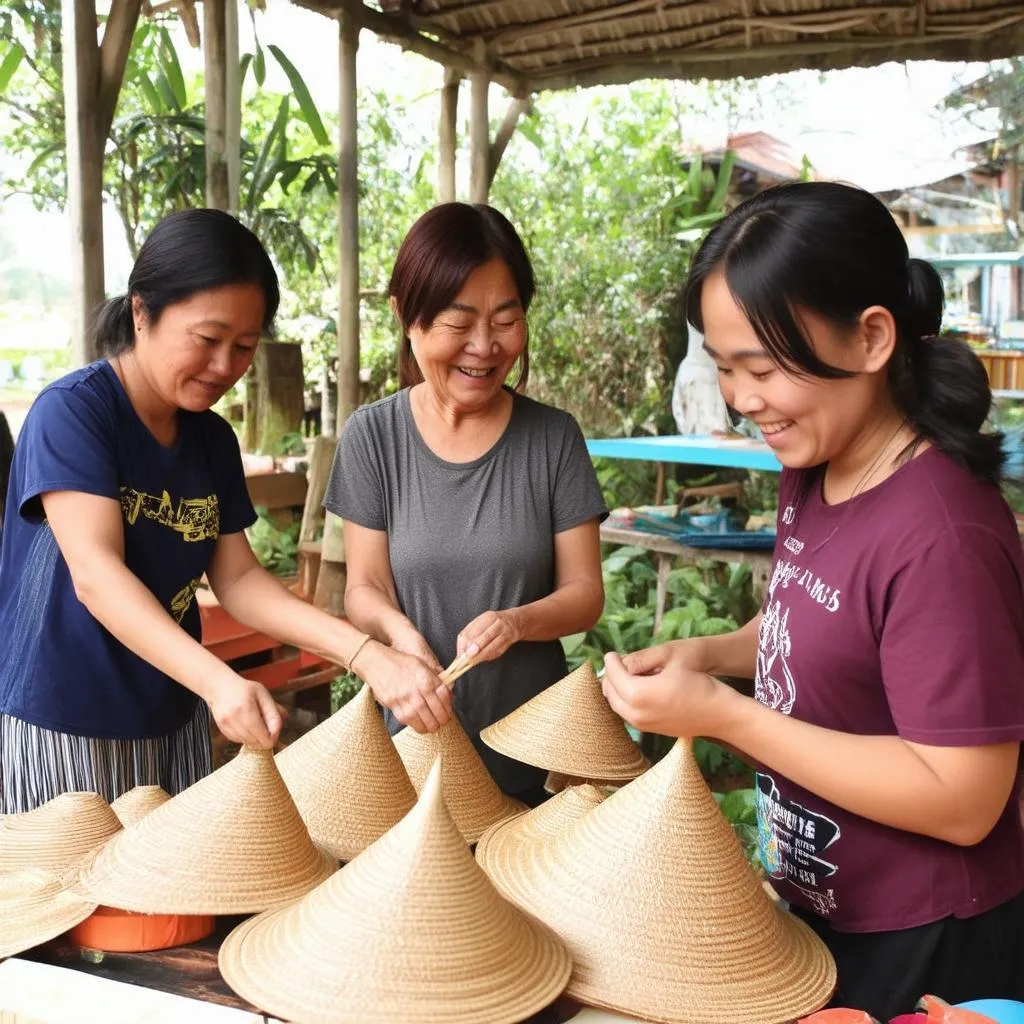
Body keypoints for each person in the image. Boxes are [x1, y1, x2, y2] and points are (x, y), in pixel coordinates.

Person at [602, 181, 1024, 1017]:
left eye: (761, 367)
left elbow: (964, 797)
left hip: (926, 937)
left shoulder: (943, 535)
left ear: (871, 337)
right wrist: (711, 655)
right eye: (725, 368)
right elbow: (810, 617)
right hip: (825, 900)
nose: (740, 398)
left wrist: (725, 715)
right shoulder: (818, 467)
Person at [0, 209, 433, 814]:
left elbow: (238, 579)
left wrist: (365, 654)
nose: (225, 367)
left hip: (171, 712)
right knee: (71, 901)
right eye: (207, 340)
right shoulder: (74, 414)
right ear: (142, 312)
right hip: (65, 715)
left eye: (244, 347)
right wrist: (216, 680)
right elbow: (96, 576)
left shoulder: (211, 441)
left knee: (172, 905)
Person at [324, 203, 607, 804]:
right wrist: (400, 635)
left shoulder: (554, 438)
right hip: (412, 750)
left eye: (506, 319)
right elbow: (363, 589)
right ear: (406, 315)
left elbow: (585, 596)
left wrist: (517, 621)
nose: (484, 346)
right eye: (459, 322)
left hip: (533, 753)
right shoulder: (373, 436)